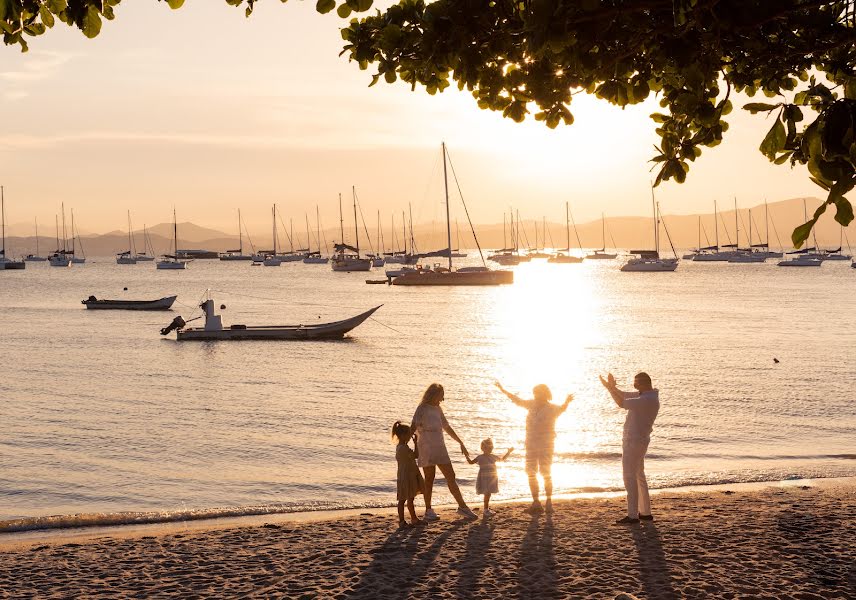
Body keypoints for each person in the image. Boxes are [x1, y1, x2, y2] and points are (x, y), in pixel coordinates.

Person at [494, 381, 573, 514]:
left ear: (545, 394)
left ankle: (549, 503)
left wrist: (567, 401)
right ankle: (536, 502)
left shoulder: (552, 408)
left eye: (538, 393)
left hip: (546, 446)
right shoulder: (531, 404)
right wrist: (502, 389)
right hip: (530, 445)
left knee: (546, 473)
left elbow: (562, 409)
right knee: (531, 473)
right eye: (534, 393)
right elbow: (516, 400)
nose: (535, 396)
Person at [599, 371, 660, 525]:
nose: (634, 385)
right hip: (639, 440)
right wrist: (611, 387)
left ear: (644, 384)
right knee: (639, 475)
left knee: (629, 476)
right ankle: (645, 512)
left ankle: (633, 515)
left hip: (634, 441)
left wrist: (610, 389)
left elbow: (621, 403)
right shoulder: (647, 396)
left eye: (636, 383)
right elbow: (624, 395)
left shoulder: (646, 399)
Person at [410, 383, 477, 520]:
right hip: (426, 446)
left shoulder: (437, 409)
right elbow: (412, 428)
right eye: (441, 395)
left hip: (439, 446)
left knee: (451, 475)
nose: (443, 399)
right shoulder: (422, 408)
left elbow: (446, 427)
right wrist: (405, 447)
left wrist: (460, 442)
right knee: (429, 479)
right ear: (434, 394)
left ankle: (462, 507)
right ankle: (428, 511)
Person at [463, 438, 513, 517]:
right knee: (487, 493)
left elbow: (502, 459)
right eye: (486, 448)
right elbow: (471, 462)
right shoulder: (480, 457)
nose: (488, 449)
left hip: (492, 477)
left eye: (490, 448)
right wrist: (466, 455)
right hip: (483, 478)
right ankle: (486, 510)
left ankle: (486, 509)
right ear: (482, 448)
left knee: (488, 494)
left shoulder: (493, 456)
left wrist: (508, 452)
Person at [392, 421, 424, 529]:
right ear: (402, 435)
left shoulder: (400, 447)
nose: (410, 436)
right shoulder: (403, 448)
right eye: (408, 434)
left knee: (408, 498)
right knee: (404, 499)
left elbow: (414, 456)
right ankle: (404, 520)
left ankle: (411, 519)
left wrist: (415, 443)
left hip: (405, 474)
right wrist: (416, 444)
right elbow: (416, 455)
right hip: (407, 475)